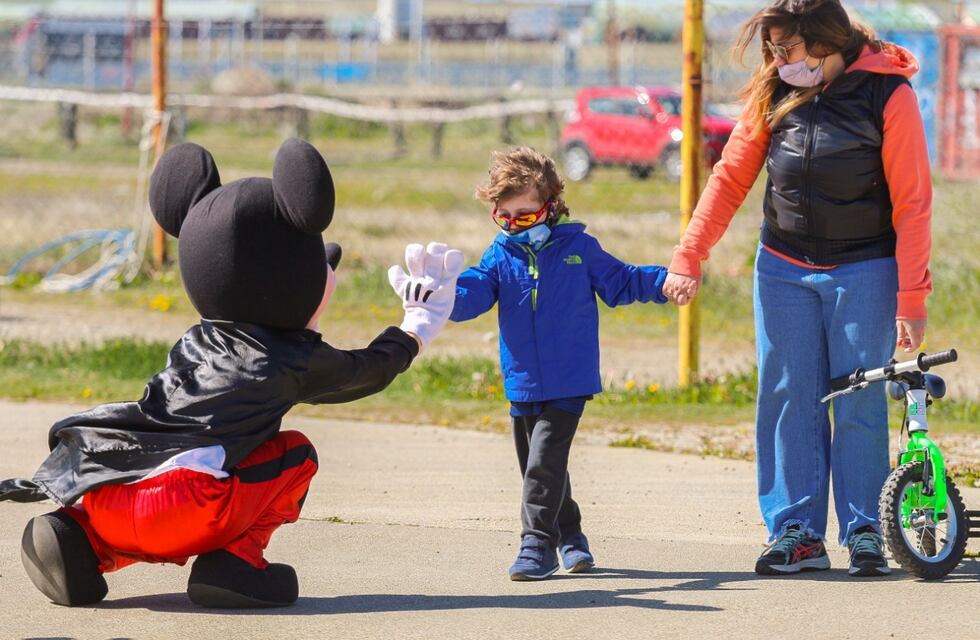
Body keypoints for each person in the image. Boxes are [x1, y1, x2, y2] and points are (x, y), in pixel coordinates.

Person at [1, 139, 465, 607]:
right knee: (296, 453)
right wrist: (415, 328)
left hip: (106, 493)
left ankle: (78, 542)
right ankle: (236, 564)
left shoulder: (194, 341)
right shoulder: (288, 356)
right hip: (188, 508)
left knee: (177, 477)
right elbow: (363, 372)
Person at [661, 0, 932, 577]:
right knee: (787, 396)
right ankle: (796, 530)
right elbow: (730, 175)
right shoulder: (774, 92)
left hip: (864, 268)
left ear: (827, 42)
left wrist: (913, 297)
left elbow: (912, 204)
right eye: (772, 51)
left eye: (787, 50)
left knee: (857, 397)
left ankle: (865, 530)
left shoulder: (890, 96)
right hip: (783, 266)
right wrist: (690, 253)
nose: (778, 61)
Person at [450, 147, 668, 580]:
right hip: (523, 382)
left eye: (526, 216)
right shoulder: (500, 254)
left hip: (570, 379)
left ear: (551, 205)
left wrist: (668, 280)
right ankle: (571, 537)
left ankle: (536, 545)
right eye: (505, 217)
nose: (515, 227)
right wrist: (438, 297)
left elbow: (622, 282)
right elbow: (471, 294)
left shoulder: (579, 249)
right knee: (542, 468)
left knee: (543, 464)